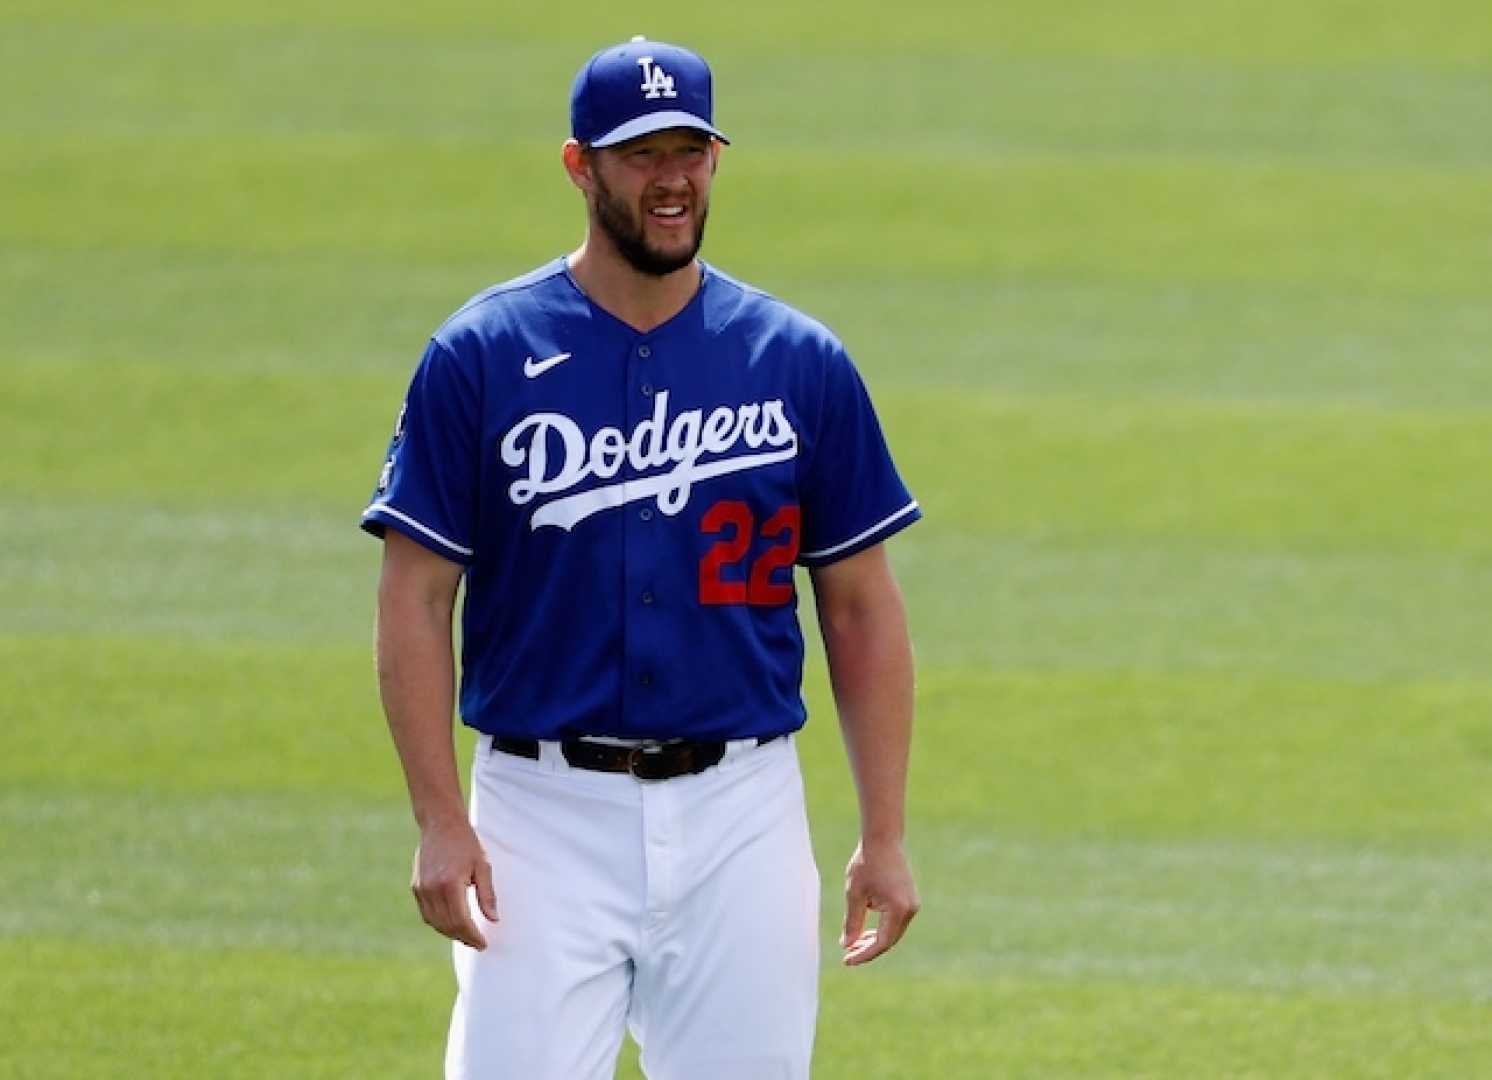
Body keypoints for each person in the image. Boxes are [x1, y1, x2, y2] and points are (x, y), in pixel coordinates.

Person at [363, 34, 921, 1080]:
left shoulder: (797, 362)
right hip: (539, 816)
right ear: (581, 167)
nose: (670, 179)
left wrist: (882, 833)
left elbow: (859, 605)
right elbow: (415, 592)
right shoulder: (480, 355)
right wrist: (439, 820)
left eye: (689, 150)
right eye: (639, 153)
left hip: (741, 814)